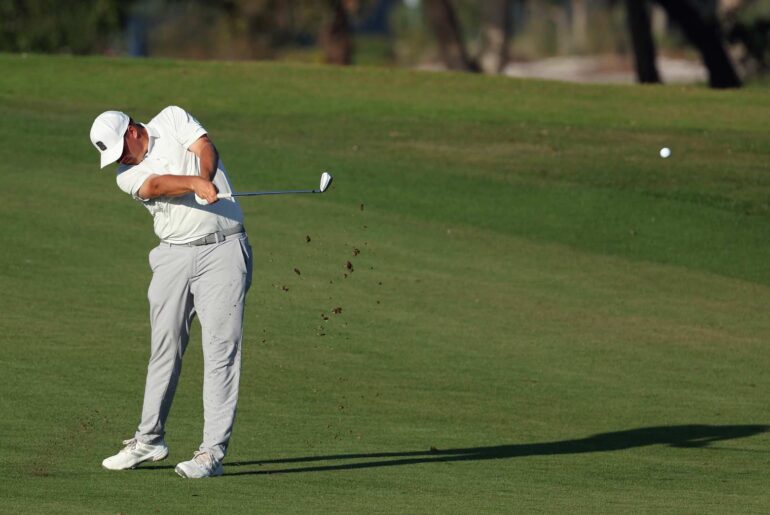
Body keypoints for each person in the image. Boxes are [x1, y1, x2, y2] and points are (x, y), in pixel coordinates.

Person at [89, 106, 253, 479]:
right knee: (164, 349)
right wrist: (194, 185)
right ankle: (149, 439)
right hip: (172, 258)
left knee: (221, 351)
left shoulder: (172, 118)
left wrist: (205, 177)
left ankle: (211, 454)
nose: (121, 160)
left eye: (121, 150)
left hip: (223, 251)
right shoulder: (126, 176)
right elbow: (157, 186)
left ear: (132, 131)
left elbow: (205, 147)